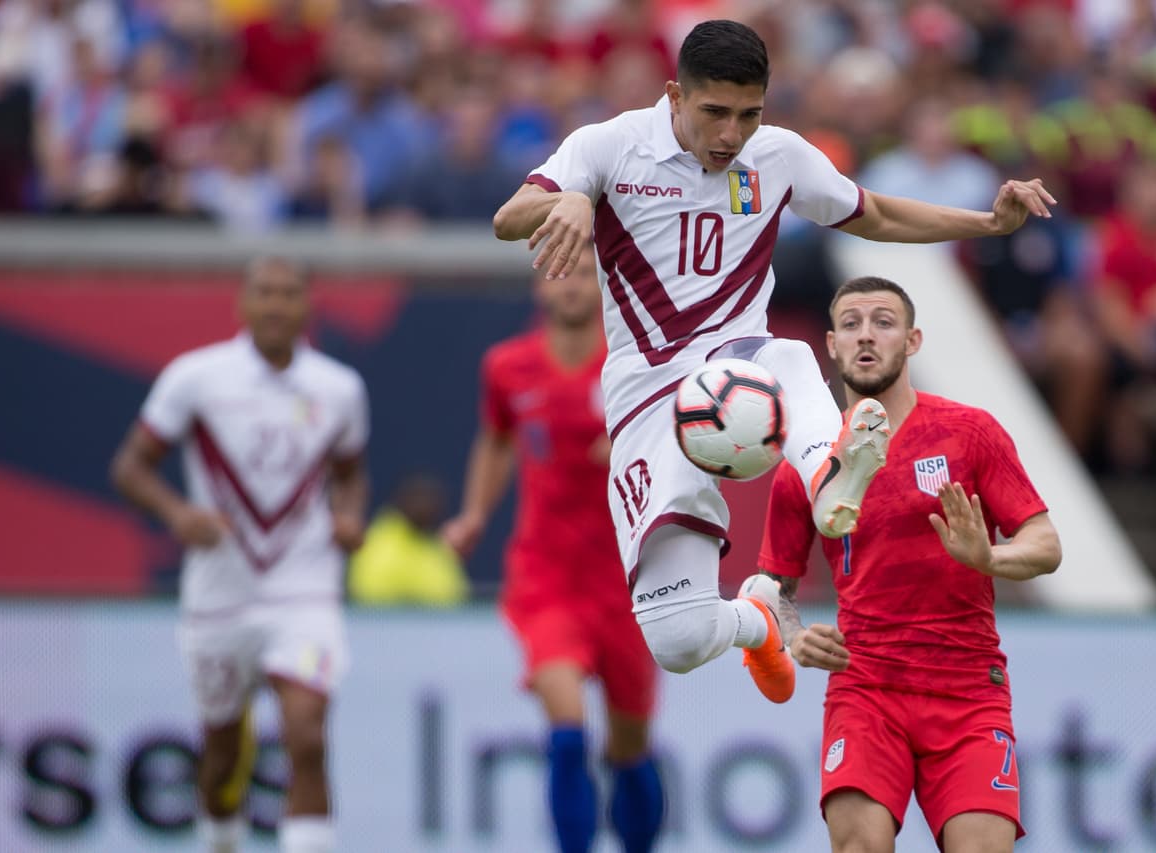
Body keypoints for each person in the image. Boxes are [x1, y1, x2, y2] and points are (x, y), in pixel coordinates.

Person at [492, 19, 1057, 704]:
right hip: (648, 398)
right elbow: (509, 218)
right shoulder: (609, 145)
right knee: (677, 641)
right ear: (675, 95)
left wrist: (987, 223)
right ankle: (759, 616)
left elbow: (873, 213)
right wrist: (572, 198)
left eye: (749, 114)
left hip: (740, 364)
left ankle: (832, 477)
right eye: (715, 112)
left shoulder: (779, 155)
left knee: (783, 357)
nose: (732, 134)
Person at [757, 275, 1062, 852]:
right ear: (831, 344)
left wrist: (988, 557)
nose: (866, 336)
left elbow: (1045, 544)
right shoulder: (808, 462)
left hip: (967, 689)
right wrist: (793, 635)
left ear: (913, 340)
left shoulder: (969, 432)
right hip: (866, 687)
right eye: (851, 324)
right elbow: (775, 589)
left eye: (883, 323)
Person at [110, 256, 369, 853]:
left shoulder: (340, 389)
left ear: (308, 305)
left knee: (306, 736)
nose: (276, 305)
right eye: (265, 293)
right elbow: (130, 466)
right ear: (243, 303)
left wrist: (350, 514)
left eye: (288, 294)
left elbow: (351, 473)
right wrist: (178, 514)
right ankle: (221, 840)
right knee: (224, 756)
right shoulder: (196, 378)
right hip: (220, 596)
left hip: (304, 589)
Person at [442, 248, 664, 853]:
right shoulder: (507, 367)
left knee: (629, 749)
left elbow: (686, 440)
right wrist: (474, 514)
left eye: (584, 274)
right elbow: (496, 439)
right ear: (539, 288)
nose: (570, 287)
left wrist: (636, 446)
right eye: (558, 275)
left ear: (604, 287)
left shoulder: (634, 365)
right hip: (546, 578)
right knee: (567, 731)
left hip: (626, 582)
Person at [347, 473, 470, 607]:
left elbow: (452, 599)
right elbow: (368, 599)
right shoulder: (378, 545)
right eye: (418, 499)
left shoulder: (437, 549)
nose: (423, 506)